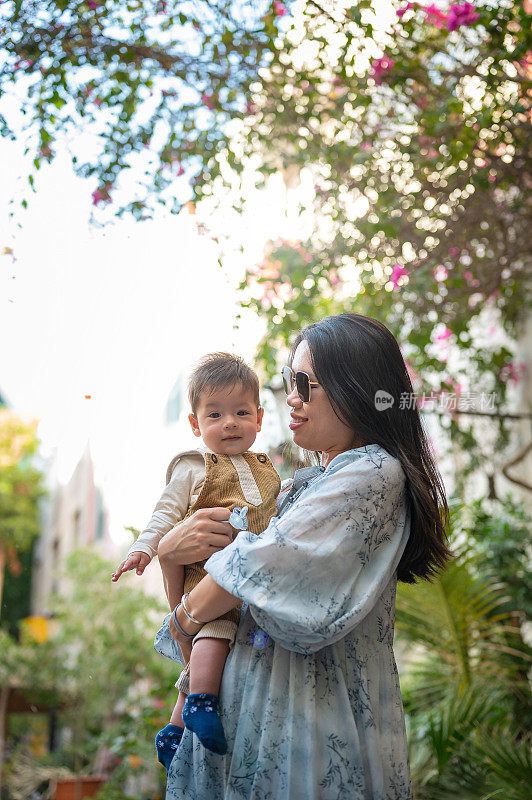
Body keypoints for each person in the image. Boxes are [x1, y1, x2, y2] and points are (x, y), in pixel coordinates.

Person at [154, 313, 454, 800]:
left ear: (352, 386)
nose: (290, 398)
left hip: (307, 737)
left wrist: (184, 619)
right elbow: (215, 598)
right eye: (288, 382)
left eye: (303, 383)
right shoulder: (298, 487)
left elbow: (248, 572)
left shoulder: (372, 472)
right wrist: (170, 557)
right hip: (250, 732)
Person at [112, 353, 280, 763]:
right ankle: (200, 704)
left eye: (242, 412)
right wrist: (143, 548)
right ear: (195, 424)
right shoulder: (193, 467)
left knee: (224, 650)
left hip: (251, 584)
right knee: (214, 633)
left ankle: (173, 730)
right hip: (207, 576)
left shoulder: (268, 469)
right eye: (216, 414)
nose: (230, 423)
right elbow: (165, 513)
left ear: (259, 418)